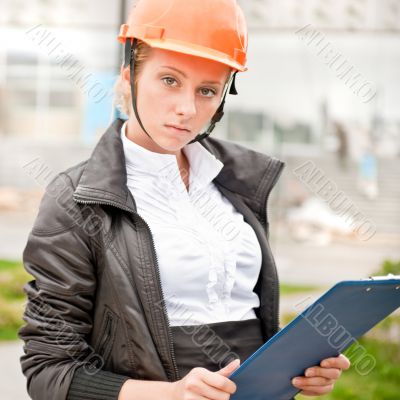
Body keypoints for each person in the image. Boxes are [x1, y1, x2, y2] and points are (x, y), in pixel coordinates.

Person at [18, 1, 350, 399]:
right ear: (129, 77)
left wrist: (296, 369)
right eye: (170, 80)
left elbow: (248, 324)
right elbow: (49, 372)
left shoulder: (235, 185)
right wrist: (170, 394)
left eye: (207, 90)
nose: (187, 109)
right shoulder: (76, 199)